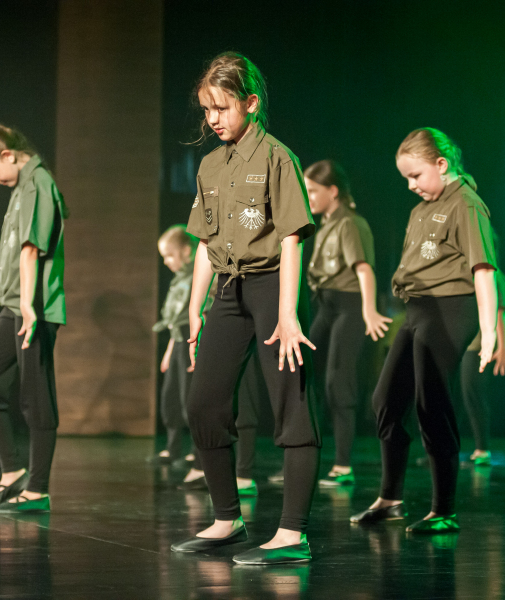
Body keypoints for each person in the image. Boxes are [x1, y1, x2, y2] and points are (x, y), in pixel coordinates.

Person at [170, 52, 321, 565]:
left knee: (291, 404)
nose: (212, 119)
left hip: (273, 286)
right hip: (227, 291)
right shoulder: (211, 164)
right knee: (204, 405)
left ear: (250, 103)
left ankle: (292, 535)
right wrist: (194, 309)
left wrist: (288, 313)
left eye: (222, 107)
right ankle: (226, 520)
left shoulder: (278, 157)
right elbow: (204, 243)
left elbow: (292, 238)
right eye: (206, 110)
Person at [351, 128, 497, 533]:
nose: (411, 185)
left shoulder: (466, 204)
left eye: (416, 175)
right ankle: (390, 499)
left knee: (431, 402)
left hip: (451, 307)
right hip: (417, 309)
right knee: (385, 400)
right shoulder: (420, 210)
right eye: (406, 178)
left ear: (441, 164)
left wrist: (489, 332)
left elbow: (484, 269)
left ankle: (443, 510)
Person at [0, 123, 67, 514]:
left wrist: (27, 305)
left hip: (33, 309)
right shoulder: (23, 186)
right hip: (15, 306)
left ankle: (37, 490)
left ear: (8, 155)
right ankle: (12, 472)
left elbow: (30, 250)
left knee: (35, 397)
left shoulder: (37, 183)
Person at [304, 160, 391, 487]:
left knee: (338, 382)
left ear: (333, 191)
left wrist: (369, 310)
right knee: (299, 369)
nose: (309, 197)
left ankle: (343, 466)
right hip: (326, 306)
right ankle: (301, 460)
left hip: (349, 307)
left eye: (313, 191)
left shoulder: (352, 223)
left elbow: (364, 269)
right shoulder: (326, 223)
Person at [149, 225, 203, 471]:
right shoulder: (178, 279)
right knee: (170, 397)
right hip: (178, 342)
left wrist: (198, 348)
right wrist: (169, 351)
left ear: (186, 251)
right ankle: (173, 447)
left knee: (188, 399)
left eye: (170, 255)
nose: (166, 261)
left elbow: (201, 313)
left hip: (192, 342)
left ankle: (197, 452)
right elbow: (173, 321)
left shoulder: (199, 276)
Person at [460, 270, 505, 466]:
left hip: (478, 344)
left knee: (474, 394)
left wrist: (502, 345)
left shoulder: (492, 273)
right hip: (462, 343)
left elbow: (498, 310)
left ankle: (482, 449)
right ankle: (441, 449)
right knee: (458, 394)